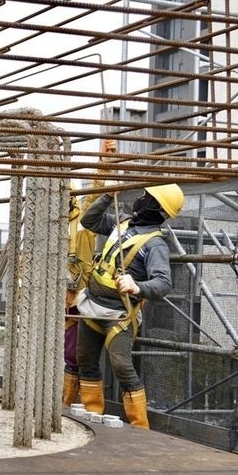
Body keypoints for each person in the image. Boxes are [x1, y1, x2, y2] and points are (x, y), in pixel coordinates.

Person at [74, 184, 184, 428]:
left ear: (157, 207)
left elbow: (163, 283)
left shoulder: (154, 244)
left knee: (122, 366)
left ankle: (139, 427)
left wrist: (137, 286)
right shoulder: (122, 223)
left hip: (119, 315)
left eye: (147, 197)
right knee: (85, 359)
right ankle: (92, 414)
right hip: (92, 305)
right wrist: (106, 197)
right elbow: (89, 220)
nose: (141, 198)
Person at [62, 183, 100, 407]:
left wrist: (105, 167)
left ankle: (67, 402)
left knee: (73, 351)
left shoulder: (83, 221)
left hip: (75, 296)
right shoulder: (43, 225)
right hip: (48, 295)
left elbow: (94, 197)